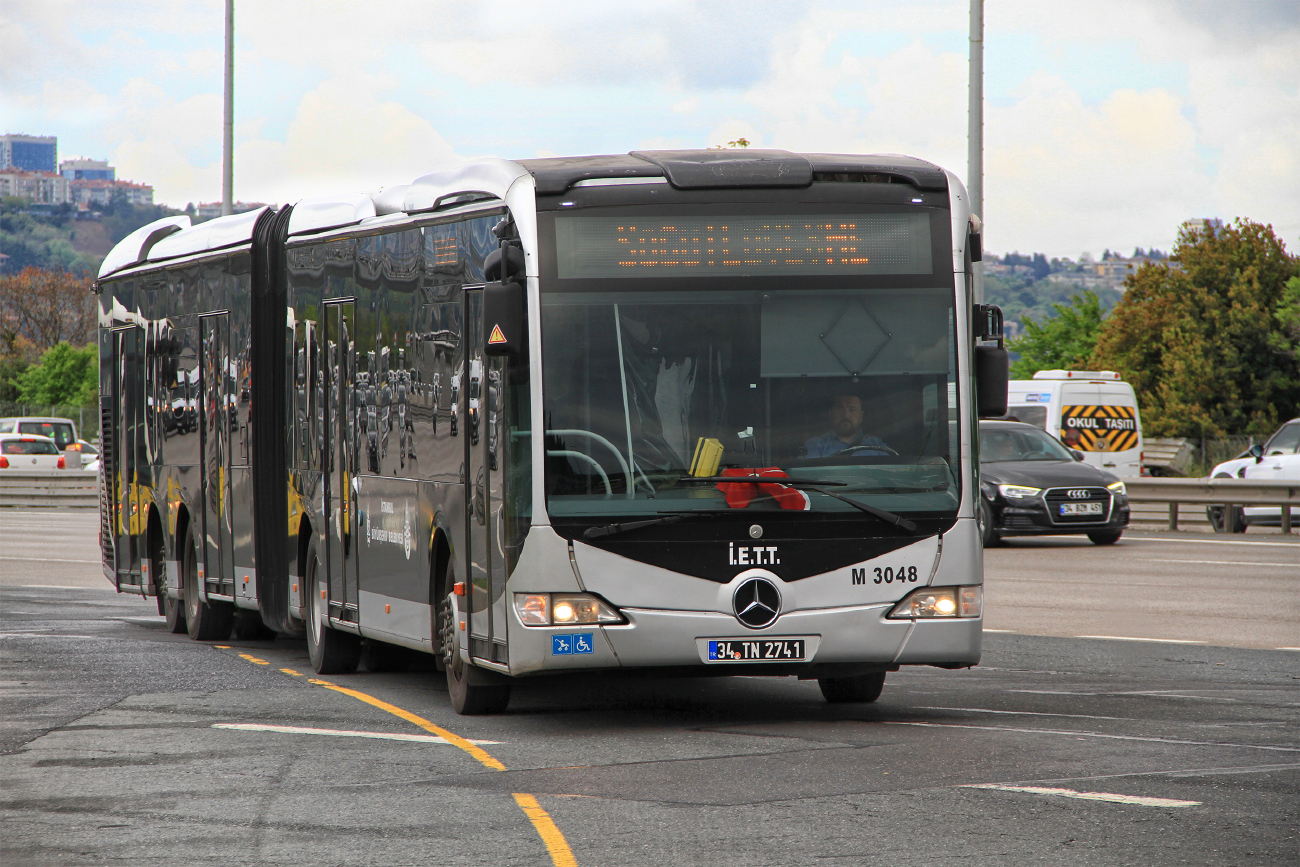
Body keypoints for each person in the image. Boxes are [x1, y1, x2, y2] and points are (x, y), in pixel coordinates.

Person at [802, 394, 890, 458]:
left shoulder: (877, 445)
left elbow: (888, 475)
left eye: (852, 410)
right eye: (840, 409)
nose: (846, 415)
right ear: (830, 414)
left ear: (861, 416)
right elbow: (808, 479)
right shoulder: (816, 445)